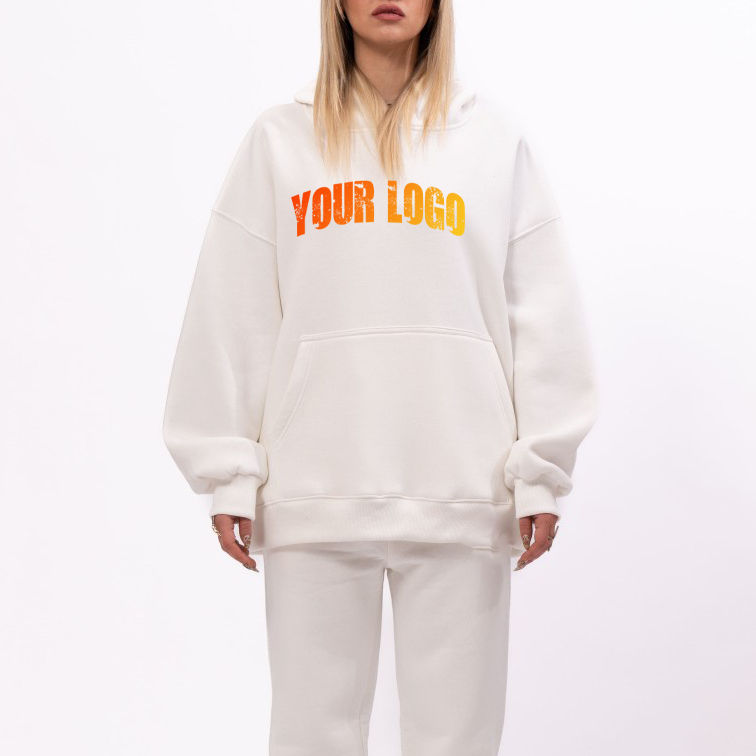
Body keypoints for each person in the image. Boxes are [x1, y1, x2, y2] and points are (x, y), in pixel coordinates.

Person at [162, 0, 599, 753]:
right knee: (310, 737)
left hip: (463, 485)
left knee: (457, 740)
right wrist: (229, 469)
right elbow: (234, 308)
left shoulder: (494, 141)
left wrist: (540, 470)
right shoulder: (280, 140)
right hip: (314, 489)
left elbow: (542, 310)